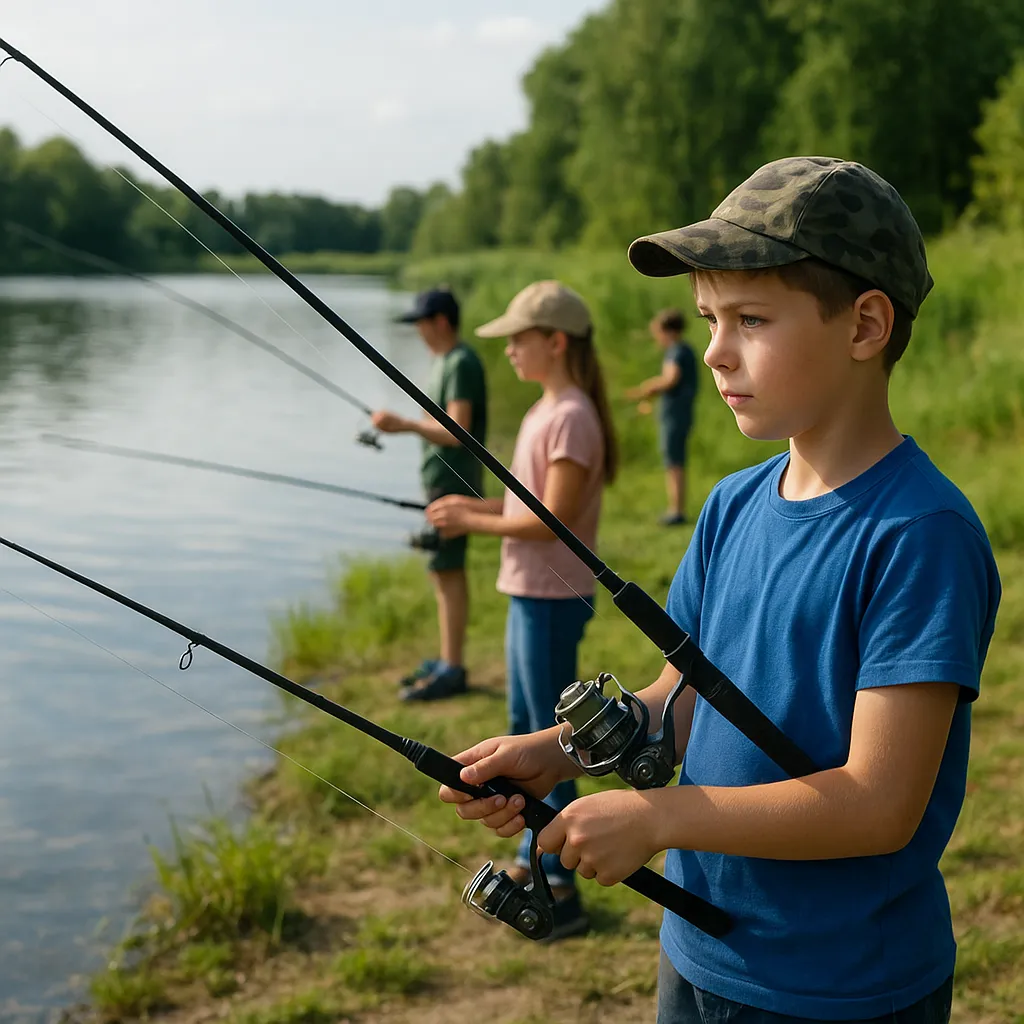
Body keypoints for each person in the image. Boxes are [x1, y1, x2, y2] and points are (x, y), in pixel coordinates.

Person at [437, 157, 1002, 1021]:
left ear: (865, 325)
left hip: (842, 985)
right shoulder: (732, 504)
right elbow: (684, 698)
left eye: (751, 319)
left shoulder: (919, 535)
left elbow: (879, 805)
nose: (713, 351)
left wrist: (658, 819)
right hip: (700, 951)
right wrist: (559, 751)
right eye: (709, 319)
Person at [426, 280, 617, 940]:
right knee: (521, 730)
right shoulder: (545, 411)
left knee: (550, 740)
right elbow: (522, 507)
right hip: (528, 594)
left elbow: (551, 521)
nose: (507, 349)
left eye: (518, 339)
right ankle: (535, 853)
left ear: (556, 342)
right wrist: (471, 508)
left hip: (553, 598)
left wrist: (472, 525)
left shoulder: (572, 417)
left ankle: (560, 883)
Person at [371, 287, 487, 701]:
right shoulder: (443, 362)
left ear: (440, 321)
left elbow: (457, 430)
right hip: (439, 480)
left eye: (421, 323)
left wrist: (404, 425)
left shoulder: (460, 362)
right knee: (440, 569)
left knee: (447, 568)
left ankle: (453, 669)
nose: (418, 332)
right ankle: (446, 659)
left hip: (455, 484)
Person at [625, 308, 699, 525]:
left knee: (673, 460)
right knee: (674, 459)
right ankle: (676, 508)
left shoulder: (676, 351)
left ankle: (676, 511)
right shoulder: (685, 350)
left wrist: (648, 387)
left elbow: (670, 379)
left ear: (669, 331)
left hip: (675, 414)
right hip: (680, 413)